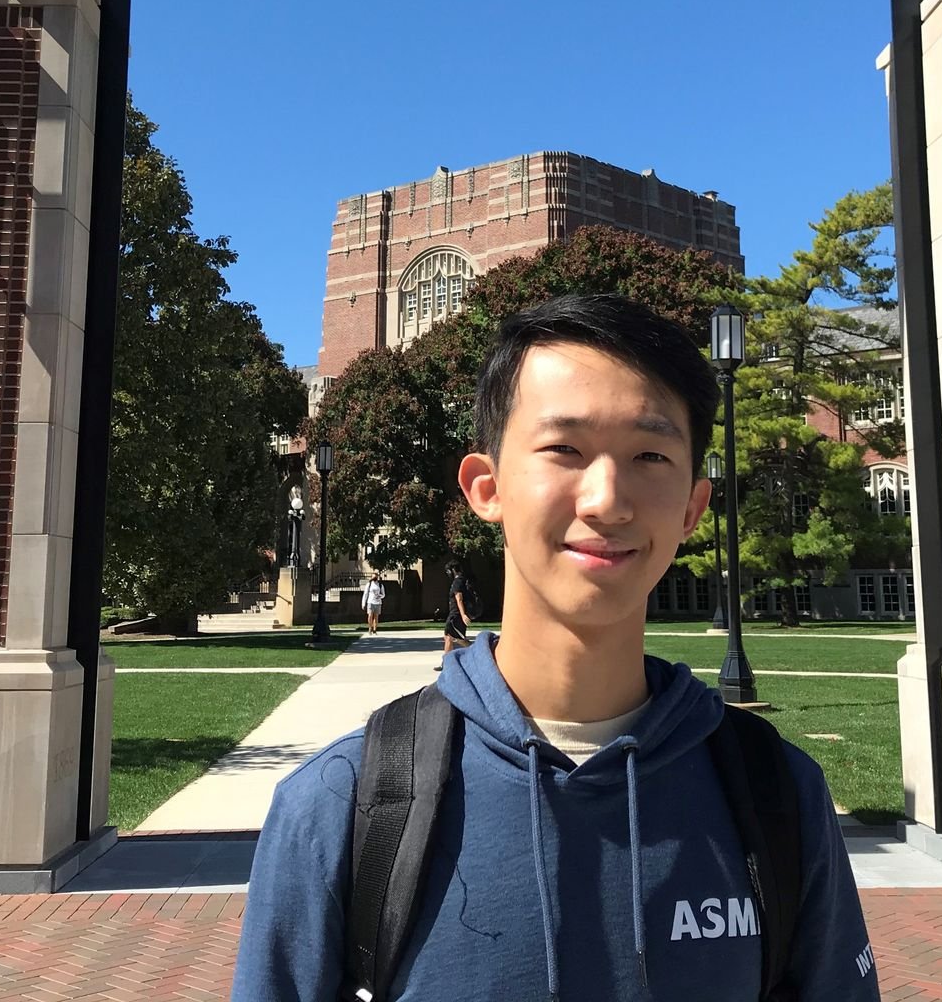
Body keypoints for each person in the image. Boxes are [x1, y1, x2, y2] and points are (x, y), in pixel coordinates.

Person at [233, 294, 879, 1001]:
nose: (607, 499)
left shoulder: (777, 795)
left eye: (650, 455)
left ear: (694, 508)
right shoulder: (343, 805)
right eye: (564, 449)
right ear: (486, 488)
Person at [437, 559, 475, 668]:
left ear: (453, 570)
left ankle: (447, 664)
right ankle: (446, 663)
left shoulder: (457, 581)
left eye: (448, 571)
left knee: (451, 637)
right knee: (453, 638)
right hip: (456, 614)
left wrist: (463, 615)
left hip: (456, 615)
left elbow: (459, 599)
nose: (448, 573)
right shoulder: (463, 580)